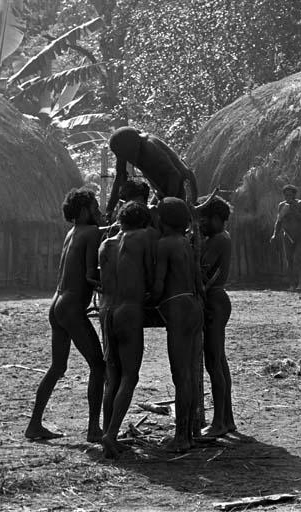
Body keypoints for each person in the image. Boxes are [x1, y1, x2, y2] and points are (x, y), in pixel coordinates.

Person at [25, 188, 105, 442]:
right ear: (83, 211)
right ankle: (93, 429)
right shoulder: (91, 233)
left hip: (57, 304)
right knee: (99, 366)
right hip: (71, 309)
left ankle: (34, 424)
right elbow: (92, 275)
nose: (97, 211)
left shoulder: (72, 232)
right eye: (93, 206)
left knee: (57, 367)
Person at [98, 201, 154, 459]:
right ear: (143, 221)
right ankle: (110, 435)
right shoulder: (143, 238)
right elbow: (152, 277)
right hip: (129, 311)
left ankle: (109, 434)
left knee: (113, 375)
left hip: (106, 311)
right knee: (130, 376)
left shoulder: (105, 244)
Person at [152, 197, 203, 453]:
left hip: (177, 308)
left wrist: (150, 296)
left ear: (163, 220)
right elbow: (198, 279)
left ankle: (181, 436)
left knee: (179, 373)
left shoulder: (164, 244)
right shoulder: (186, 242)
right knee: (190, 373)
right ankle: (189, 433)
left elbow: (160, 283)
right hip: (193, 305)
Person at [198, 196, 236, 438]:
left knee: (213, 362)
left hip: (214, 300)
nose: (200, 223)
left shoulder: (217, 240)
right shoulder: (221, 237)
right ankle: (227, 419)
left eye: (203, 219)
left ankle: (219, 423)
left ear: (215, 219)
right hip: (218, 299)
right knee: (219, 361)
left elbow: (202, 270)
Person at [105, 127, 198, 223]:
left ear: (132, 147)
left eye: (122, 155)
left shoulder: (150, 148)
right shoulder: (125, 148)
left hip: (183, 185)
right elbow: (120, 178)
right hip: (163, 190)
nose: (121, 159)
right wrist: (109, 211)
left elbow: (174, 175)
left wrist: (167, 203)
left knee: (172, 222)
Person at [270, 184, 301, 291]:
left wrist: (292, 210)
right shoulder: (281, 205)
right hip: (287, 236)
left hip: (299, 236)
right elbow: (279, 221)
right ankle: (291, 285)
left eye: (290, 195)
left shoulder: (300, 204)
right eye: (286, 195)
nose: (287, 197)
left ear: (294, 195)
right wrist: (274, 234)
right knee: (289, 260)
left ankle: (300, 284)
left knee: (298, 259)